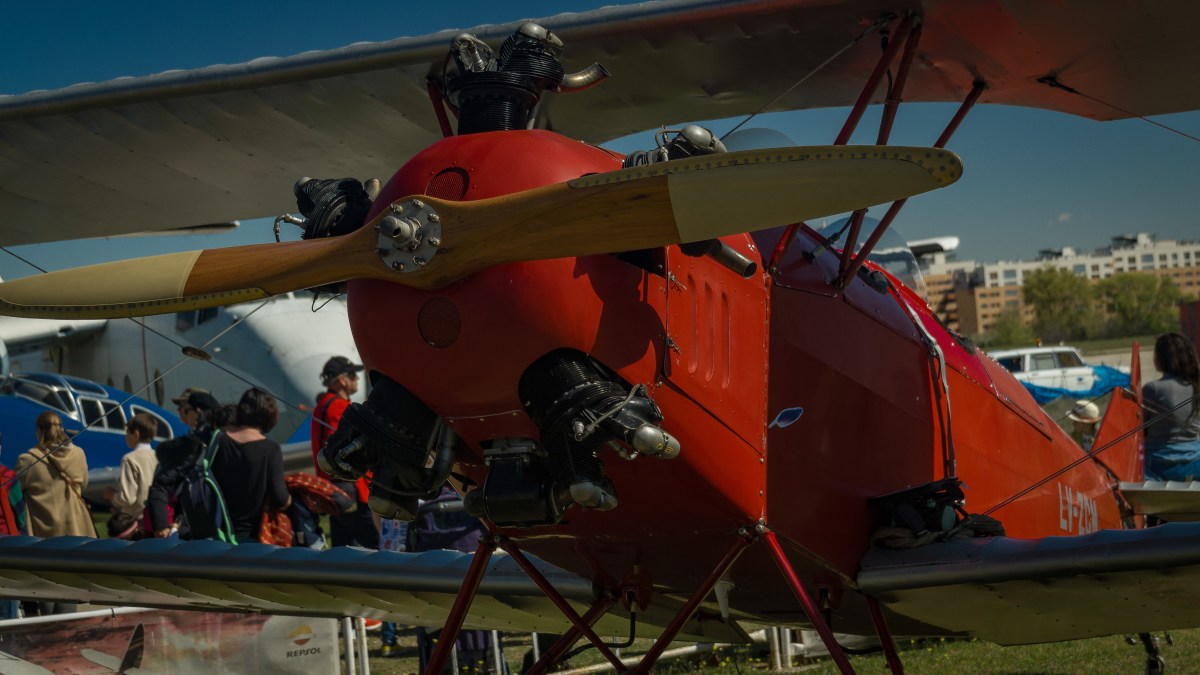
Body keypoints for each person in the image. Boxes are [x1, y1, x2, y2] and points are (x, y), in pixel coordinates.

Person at [16, 411, 94, 615]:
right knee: (69, 588)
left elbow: (16, 490)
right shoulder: (78, 454)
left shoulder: (28, 460)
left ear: (39, 431)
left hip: (42, 536)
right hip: (73, 532)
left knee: (46, 591)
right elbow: (84, 484)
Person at [311, 356, 378, 549]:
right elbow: (347, 451)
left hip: (333, 493)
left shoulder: (321, 406)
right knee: (379, 547)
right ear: (342, 380)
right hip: (351, 491)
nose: (357, 379)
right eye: (353, 375)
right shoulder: (339, 407)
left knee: (342, 552)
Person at [210, 387, 291, 543]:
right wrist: (291, 501)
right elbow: (280, 498)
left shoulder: (219, 440)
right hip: (255, 535)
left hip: (219, 533)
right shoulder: (271, 449)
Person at [147, 388, 223, 538]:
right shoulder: (194, 441)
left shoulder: (198, 444)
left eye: (185, 407)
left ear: (199, 411)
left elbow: (161, 484)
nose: (180, 411)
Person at [1143, 332, 1200, 481]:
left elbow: (1135, 427)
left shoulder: (1153, 389)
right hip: (1195, 463)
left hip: (1159, 466)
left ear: (1161, 358)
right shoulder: (1196, 385)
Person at [106, 413, 159, 539]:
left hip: (137, 524)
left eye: (127, 433)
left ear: (136, 434)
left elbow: (128, 498)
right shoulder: (158, 457)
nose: (126, 437)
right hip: (156, 519)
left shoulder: (129, 459)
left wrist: (112, 496)